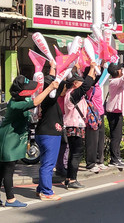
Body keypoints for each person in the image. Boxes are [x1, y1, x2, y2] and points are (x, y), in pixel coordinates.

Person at [0, 75, 59, 207]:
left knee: (3, 169)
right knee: (8, 170)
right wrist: (50, 88)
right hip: (7, 140)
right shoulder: (16, 103)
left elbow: (30, 109)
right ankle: (10, 199)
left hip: (14, 139)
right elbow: (35, 102)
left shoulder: (20, 100)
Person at [35, 60, 67, 201]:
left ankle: (41, 188)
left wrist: (54, 66)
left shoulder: (43, 95)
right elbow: (57, 86)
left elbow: (54, 83)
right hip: (50, 134)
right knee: (48, 164)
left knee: (45, 162)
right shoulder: (50, 98)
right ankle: (47, 192)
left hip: (43, 132)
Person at [63, 62, 96, 189]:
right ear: (75, 84)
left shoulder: (71, 93)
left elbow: (89, 83)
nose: (83, 83)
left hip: (73, 125)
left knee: (73, 152)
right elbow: (86, 85)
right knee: (76, 153)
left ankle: (68, 178)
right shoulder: (73, 93)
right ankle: (72, 179)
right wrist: (92, 68)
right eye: (80, 82)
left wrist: (94, 70)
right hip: (75, 125)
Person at [83, 65, 107, 173]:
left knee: (100, 139)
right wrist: (99, 66)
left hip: (100, 114)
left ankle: (99, 161)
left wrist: (102, 63)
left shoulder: (96, 84)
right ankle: (91, 163)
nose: (95, 75)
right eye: (93, 73)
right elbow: (96, 77)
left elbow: (98, 77)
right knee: (92, 140)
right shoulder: (88, 85)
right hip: (92, 115)